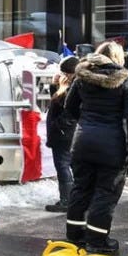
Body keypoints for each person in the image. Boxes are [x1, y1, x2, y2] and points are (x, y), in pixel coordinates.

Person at [64, 41, 128, 254]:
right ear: (118, 58)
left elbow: (69, 108)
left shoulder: (82, 77)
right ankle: (97, 242)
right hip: (113, 147)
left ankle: (74, 237)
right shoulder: (126, 80)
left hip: (82, 144)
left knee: (80, 189)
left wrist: (87, 125)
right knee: (105, 194)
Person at [44, 55, 80, 213]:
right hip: (67, 133)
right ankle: (74, 199)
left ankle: (67, 200)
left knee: (63, 166)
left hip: (64, 134)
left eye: (64, 71)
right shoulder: (73, 85)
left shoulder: (73, 87)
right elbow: (57, 103)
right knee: (69, 166)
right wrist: (55, 86)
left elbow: (66, 109)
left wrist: (58, 126)